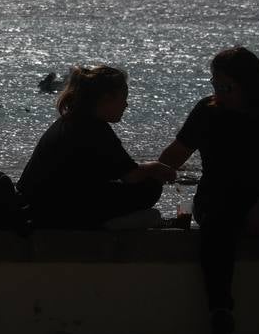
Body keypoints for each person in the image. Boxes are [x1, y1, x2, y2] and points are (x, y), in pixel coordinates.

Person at [158, 46, 259, 334]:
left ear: (249, 84)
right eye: (215, 86)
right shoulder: (207, 111)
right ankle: (220, 314)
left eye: (226, 87)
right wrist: (148, 176)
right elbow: (175, 155)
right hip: (219, 195)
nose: (220, 93)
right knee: (215, 229)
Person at [17, 66, 175, 229]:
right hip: (56, 212)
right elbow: (132, 177)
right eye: (123, 98)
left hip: (33, 207)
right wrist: (156, 169)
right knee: (150, 188)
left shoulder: (68, 121)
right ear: (106, 99)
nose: (126, 105)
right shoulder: (95, 129)